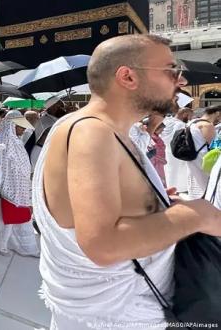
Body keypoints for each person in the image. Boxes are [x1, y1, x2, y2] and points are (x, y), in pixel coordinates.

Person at [34, 34, 221, 329]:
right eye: (171, 70)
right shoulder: (91, 133)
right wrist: (194, 215)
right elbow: (103, 245)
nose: (180, 81)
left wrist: (157, 203)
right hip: (110, 319)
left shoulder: (109, 131)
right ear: (128, 76)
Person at [0, 110, 38, 257]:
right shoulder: (2, 139)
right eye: (20, 126)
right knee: (6, 218)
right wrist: (6, 185)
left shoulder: (15, 139)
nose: (23, 129)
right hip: (7, 185)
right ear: (11, 124)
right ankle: (2, 245)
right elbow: (2, 165)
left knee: (19, 217)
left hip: (20, 184)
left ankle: (22, 247)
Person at [184, 105, 221, 200]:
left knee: (195, 184)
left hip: (193, 158)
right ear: (217, 113)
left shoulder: (191, 122)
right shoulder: (207, 125)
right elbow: (215, 146)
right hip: (205, 160)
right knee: (208, 186)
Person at [160, 106, 193, 193]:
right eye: (190, 116)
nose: (190, 118)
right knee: (177, 171)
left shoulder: (166, 121)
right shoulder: (181, 125)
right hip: (176, 151)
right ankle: (176, 190)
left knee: (169, 171)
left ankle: (170, 188)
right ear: (185, 114)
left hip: (166, 150)